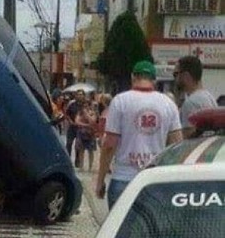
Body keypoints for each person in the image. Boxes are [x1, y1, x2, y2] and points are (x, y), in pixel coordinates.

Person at [95, 60, 182, 209]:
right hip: (154, 180)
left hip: (124, 178)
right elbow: (177, 145)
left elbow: (109, 145)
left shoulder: (120, 101)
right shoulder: (168, 104)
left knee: (121, 231)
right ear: (154, 80)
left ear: (132, 77)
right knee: (151, 231)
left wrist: (100, 179)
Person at [173, 55, 217, 137]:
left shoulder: (190, 103)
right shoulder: (209, 97)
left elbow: (187, 138)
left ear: (186, 75)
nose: (175, 79)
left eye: (176, 74)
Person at [75, 101, 97, 171]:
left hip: (90, 134)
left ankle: (90, 167)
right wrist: (87, 125)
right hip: (81, 133)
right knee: (81, 150)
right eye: (84, 106)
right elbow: (77, 122)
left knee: (90, 151)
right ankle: (81, 166)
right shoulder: (79, 113)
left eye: (87, 106)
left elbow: (93, 122)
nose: (85, 107)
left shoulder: (93, 113)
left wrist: (87, 115)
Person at [65, 89, 86, 164]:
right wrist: (70, 121)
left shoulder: (85, 105)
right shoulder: (72, 104)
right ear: (76, 95)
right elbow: (66, 114)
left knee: (78, 144)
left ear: (84, 96)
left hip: (80, 128)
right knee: (69, 143)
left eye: (81, 94)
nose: (80, 96)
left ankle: (77, 160)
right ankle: (67, 159)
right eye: (78, 94)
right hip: (72, 126)